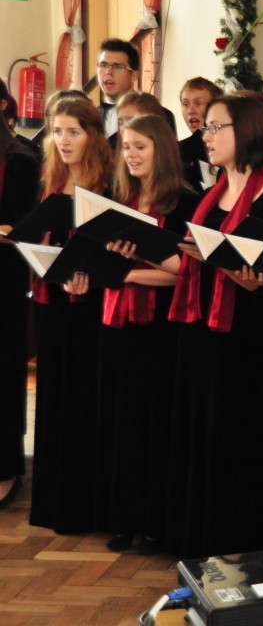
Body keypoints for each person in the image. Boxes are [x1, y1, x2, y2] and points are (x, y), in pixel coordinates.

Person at [163, 91, 263, 557]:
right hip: (200, 330)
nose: (207, 134)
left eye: (217, 126)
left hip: (244, 341)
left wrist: (252, 280)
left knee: (234, 439)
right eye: (206, 126)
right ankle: (194, 539)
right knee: (199, 432)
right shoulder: (210, 195)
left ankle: (231, 544)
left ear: (249, 131)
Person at [94, 114, 199, 554]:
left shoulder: (185, 202)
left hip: (160, 329)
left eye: (140, 146)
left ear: (162, 149)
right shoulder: (120, 198)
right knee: (121, 423)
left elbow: (187, 275)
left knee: (155, 425)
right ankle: (123, 518)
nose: (131, 155)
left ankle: (155, 523)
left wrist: (131, 272)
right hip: (117, 325)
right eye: (126, 147)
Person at [29, 97, 114, 534]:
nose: (63, 140)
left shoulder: (107, 189)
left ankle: (82, 508)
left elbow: (112, 255)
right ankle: (51, 503)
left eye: (73, 132)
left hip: (91, 309)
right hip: (53, 304)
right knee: (55, 399)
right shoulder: (51, 182)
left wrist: (85, 275)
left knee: (83, 401)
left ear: (93, 136)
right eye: (57, 131)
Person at [0, 108, 41, 510]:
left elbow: (27, 225)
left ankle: (6, 468)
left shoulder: (19, 158)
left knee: (3, 374)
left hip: (4, 283)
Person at [96, 39, 176, 139]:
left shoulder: (159, 115)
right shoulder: (90, 117)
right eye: (103, 65)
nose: (108, 72)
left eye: (118, 67)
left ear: (134, 75)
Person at [178, 76, 223, 191]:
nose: (190, 111)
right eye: (185, 104)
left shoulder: (227, 147)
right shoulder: (178, 151)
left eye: (198, 103)